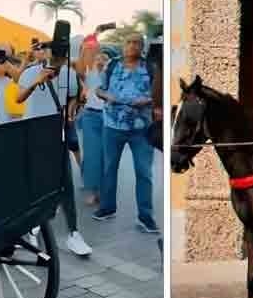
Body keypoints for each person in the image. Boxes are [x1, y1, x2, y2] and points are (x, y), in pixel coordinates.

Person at [17, 41, 93, 256]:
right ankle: (33, 226)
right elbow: (18, 98)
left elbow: (73, 99)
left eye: (62, 56)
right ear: (48, 54)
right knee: (36, 184)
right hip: (33, 134)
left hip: (57, 134)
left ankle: (74, 233)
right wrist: (37, 82)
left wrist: (70, 111)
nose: (58, 60)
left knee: (66, 184)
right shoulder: (31, 72)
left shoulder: (69, 74)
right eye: (55, 55)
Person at [94, 33, 159, 233]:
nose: (132, 46)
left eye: (136, 43)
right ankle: (107, 208)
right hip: (113, 126)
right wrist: (107, 95)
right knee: (109, 168)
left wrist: (147, 100)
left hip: (142, 128)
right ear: (123, 45)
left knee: (144, 172)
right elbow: (98, 89)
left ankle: (145, 217)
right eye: (128, 42)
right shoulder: (112, 65)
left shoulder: (151, 68)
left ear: (142, 47)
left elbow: (158, 95)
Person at [78, 38, 108, 207]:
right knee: (91, 155)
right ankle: (91, 189)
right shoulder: (86, 70)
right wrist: (85, 48)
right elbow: (80, 68)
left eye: (103, 58)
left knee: (104, 155)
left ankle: (101, 190)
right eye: (95, 56)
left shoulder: (110, 71)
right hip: (90, 116)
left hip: (107, 117)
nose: (99, 60)